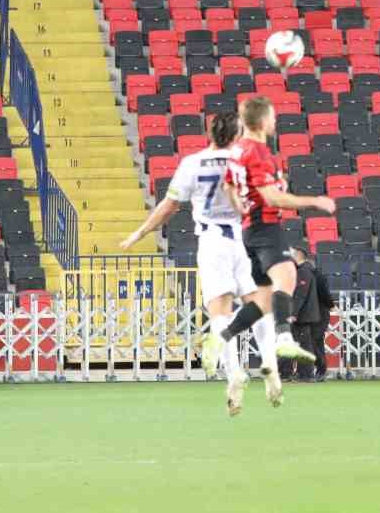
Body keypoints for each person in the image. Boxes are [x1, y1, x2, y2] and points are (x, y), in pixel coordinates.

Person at [120, 111, 272, 414]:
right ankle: (269, 361)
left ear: (210, 132)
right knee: (255, 302)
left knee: (219, 312)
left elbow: (169, 206)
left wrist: (139, 233)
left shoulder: (192, 163)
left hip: (212, 242)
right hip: (239, 242)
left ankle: (235, 372)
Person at [202, 95, 336, 407]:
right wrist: (315, 201)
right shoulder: (258, 150)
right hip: (265, 227)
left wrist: (245, 208)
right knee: (288, 273)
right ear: (262, 122)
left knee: (262, 301)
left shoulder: (235, 152)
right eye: (273, 117)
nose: (276, 122)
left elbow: (230, 188)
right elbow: (273, 199)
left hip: (246, 229)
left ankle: (219, 337)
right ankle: (284, 336)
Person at [287, 246, 333, 382]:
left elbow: (323, 293)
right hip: (313, 311)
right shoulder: (309, 272)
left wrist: (330, 305)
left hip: (316, 311)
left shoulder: (312, 273)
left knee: (314, 341)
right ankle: (311, 371)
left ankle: (319, 370)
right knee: (310, 342)